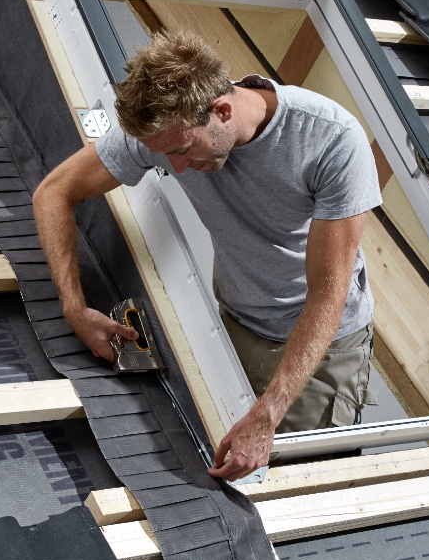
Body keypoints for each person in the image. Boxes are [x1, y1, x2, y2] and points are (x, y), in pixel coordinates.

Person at [33, 32, 381, 482]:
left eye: (181, 151)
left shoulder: (332, 142)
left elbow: (328, 294)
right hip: (236, 321)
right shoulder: (168, 130)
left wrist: (267, 414)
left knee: (301, 485)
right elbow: (53, 193)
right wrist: (74, 307)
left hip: (322, 344)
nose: (174, 167)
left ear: (222, 110)